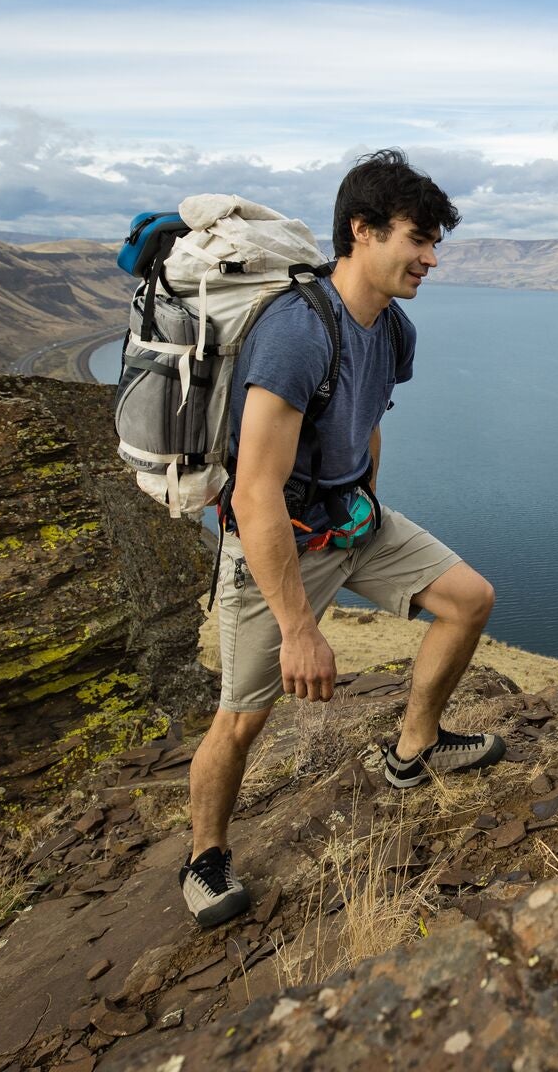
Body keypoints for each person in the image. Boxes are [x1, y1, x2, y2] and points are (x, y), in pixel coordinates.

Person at [179, 150, 503, 927]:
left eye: (434, 244)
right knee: (243, 714)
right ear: (362, 231)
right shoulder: (297, 332)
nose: (430, 258)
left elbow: (369, 426)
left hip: (352, 517)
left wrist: (369, 512)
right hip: (280, 538)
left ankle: (413, 749)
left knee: (468, 599)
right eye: (418, 240)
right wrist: (299, 629)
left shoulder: (394, 329)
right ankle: (204, 858)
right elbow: (254, 489)